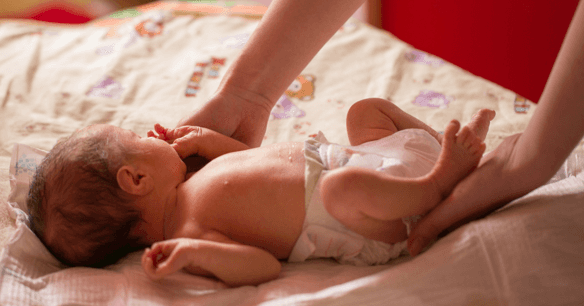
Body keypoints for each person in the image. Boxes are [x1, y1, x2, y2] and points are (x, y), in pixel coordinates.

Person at [178, 0, 584, 256]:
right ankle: (442, 164)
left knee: (350, 163)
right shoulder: (187, 223)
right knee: (357, 139)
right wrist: (247, 93)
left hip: (374, 183)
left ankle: (441, 175)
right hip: (380, 185)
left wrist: (534, 154)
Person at [26, 98, 495, 286]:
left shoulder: (194, 181)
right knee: (338, 189)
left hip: (370, 165)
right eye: (137, 139)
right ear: (136, 180)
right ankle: (439, 183)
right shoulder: (191, 229)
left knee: (364, 112)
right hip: (372, 217)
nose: (150, 135)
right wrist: (190, 255)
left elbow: (257, 161)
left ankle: (444, 150)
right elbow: (262, 267)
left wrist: (213, 143)